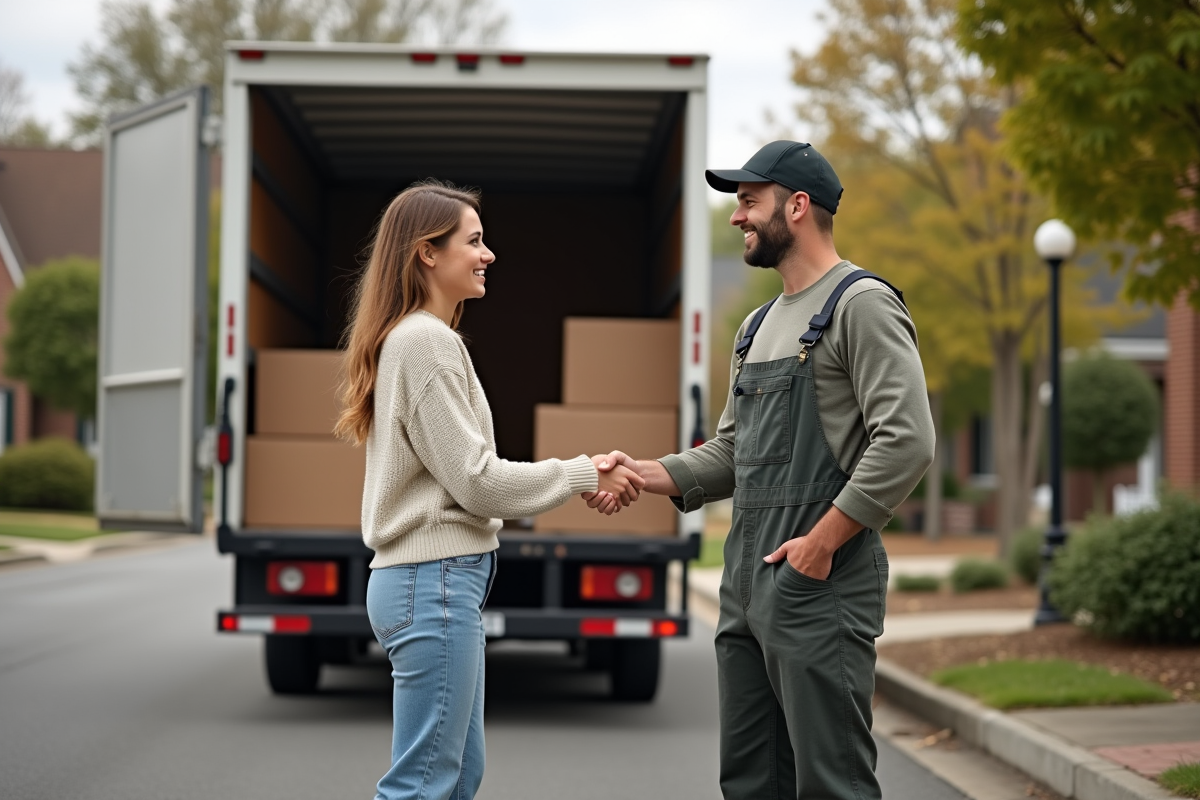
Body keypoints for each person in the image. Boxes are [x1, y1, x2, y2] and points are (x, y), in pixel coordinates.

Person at [587, 142, 936, 800]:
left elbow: (908, 439)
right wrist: (645, 473)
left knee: (832, 784)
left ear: (797, 207)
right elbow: (731, 453)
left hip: (819, 583)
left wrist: (822, 543)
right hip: (747, 585)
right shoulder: (755, 326)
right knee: (750, 781)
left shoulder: (861, 305)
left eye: (749, 202)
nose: (736, 217)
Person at [334, 179, 645, 800]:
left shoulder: (414, 339)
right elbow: (479, 483)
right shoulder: (425, 342)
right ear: (427, 252)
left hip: (432, 583)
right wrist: (586, 471)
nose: (488, 254)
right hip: (433, 581)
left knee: (452, 780)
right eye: (474, 241)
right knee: (425, 785)